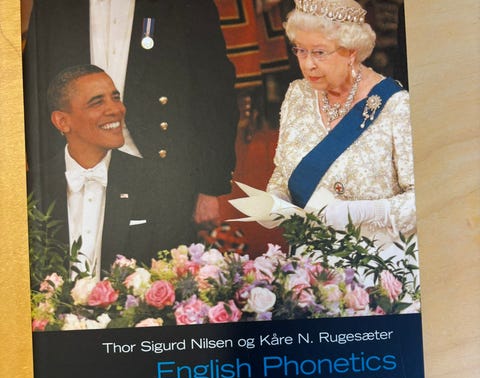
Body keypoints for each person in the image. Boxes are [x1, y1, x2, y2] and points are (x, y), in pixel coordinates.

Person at [23, 0, 238, 248]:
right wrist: (46, 178)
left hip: (164, 175)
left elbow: (214, 93)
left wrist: (209, 187)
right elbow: (33, 89)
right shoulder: (52, 4)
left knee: (158, 268)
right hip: (76, 174)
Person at [266, 0, 416, 249]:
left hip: (378, 260)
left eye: (319, 52)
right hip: (310, 259)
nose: (308, 64)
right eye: (300, 50)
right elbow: (283, 172)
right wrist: (276, 198)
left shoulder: (395, 105)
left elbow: (422, 201)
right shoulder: (297, 94)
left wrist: (361, 213)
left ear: (351, 52)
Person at [33, 64, 162, 278]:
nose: (116, 110)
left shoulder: (156, 181)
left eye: (115, 98)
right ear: (62, 121)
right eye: (97, 102)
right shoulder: (30, 186)